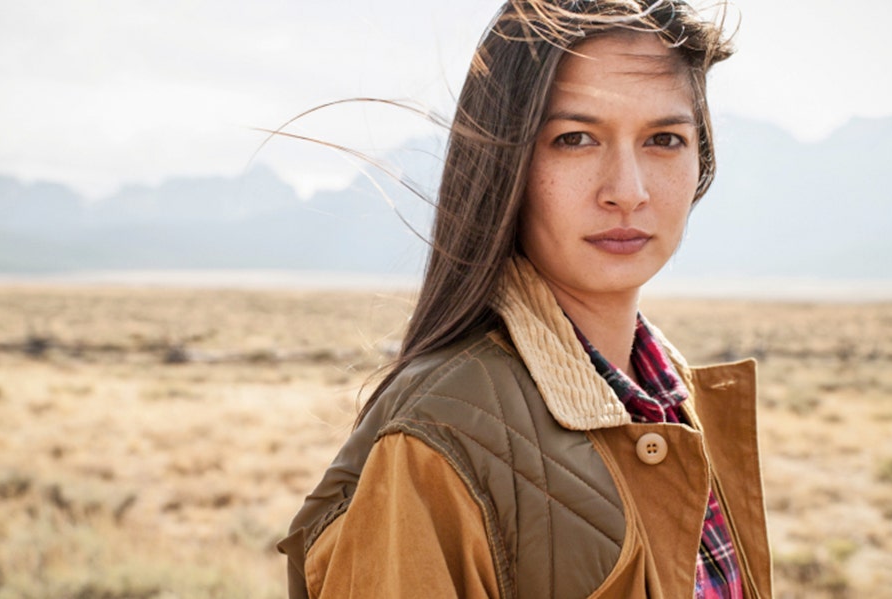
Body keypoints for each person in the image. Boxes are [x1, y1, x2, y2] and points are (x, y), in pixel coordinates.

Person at [277, 1, 772, 597]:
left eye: (664, 139)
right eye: (575, 138)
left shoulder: (676, 402)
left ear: (702, 160)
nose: (628, 191)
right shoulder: (437, 438)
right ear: (505, 161)